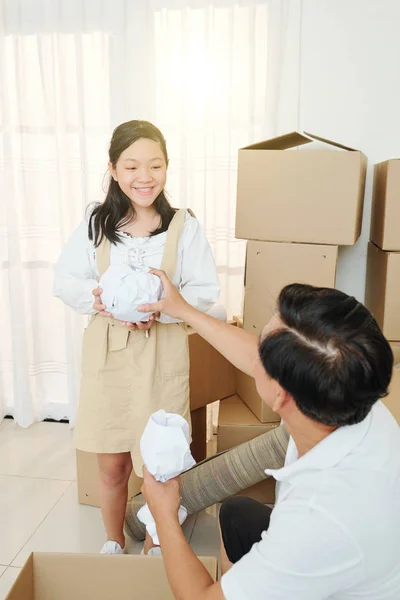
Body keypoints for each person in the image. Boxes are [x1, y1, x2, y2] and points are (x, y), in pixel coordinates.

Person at [139, 273, 400, 600]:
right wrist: (183, 310)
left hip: (339, 562)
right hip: (357, 560)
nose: (254, 351)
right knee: (236, 515)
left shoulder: (316, 520)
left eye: (263, 347)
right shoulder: (354, 389)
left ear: (280, 395)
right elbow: (258, 358)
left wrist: (164, 514)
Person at [53, 120, 220, 555]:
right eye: (131, 166)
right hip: (109, 351)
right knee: (111, 464)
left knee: (159, 466)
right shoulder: (97, 222)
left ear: (167, 169)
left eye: (155, 165)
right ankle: (112, 542)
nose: (143, 177)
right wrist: (100, 300)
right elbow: (65, 280)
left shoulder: (184, 227)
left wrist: (165, 309)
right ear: (113, 169)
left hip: (162, 355)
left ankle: (153, 546)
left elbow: (206, 293)